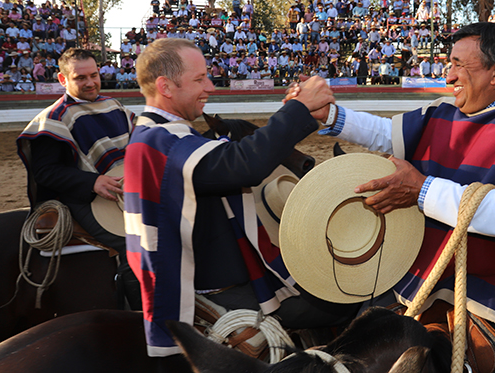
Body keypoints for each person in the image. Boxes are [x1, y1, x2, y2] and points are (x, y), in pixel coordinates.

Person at [290, 22, 495, 372]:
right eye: (450, 64)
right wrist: (332, 116)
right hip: (414, 274)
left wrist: (422, 190)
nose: (449, 76)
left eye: (461, 65)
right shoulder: (441, 111)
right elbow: (387, 133)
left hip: (494, 288)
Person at [124, 38, 360, 358]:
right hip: (221, 289)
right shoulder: (163, 141)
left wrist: (291, 112)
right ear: (165, 86)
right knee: (348, 298)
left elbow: (233, 161)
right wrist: (298, 109)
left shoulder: (155, 135)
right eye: (199, 79)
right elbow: (244, 165)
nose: (209, 87)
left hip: (213, 274)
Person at [16, 48, 141, 310]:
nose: (90, 83)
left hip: (125, 187)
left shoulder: (113, 105)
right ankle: (141, 318)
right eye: (80, 78)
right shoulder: (52, 119)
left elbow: (141, 140)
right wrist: (92, 182)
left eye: (94, 75)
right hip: (85, 197)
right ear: (63, 80)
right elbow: (46, 172)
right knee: (138, 246)